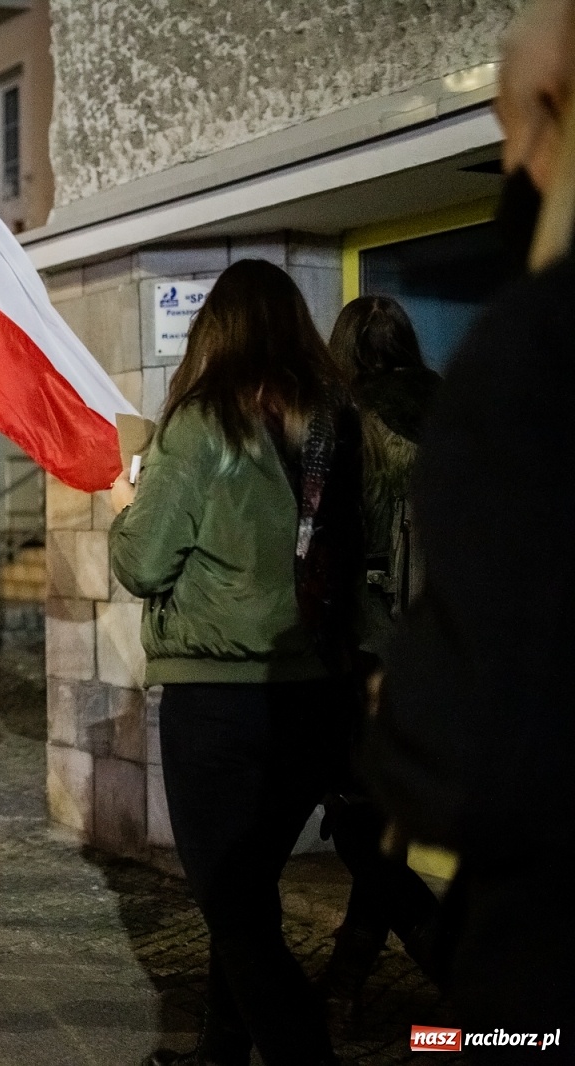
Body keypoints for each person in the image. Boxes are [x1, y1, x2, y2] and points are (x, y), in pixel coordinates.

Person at [365, 0, 575, 1048]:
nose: (509, 157)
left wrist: (401, 704)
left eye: (504, 119)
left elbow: (482, 749)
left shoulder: (538, 356)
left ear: (552, 104)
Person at [109, 260, 362, 1066]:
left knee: (234, 907)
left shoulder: (203, 421)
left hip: (218, 700)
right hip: (314, 694)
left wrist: (123, 506)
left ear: (213, 332)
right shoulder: (336, 420)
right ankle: (220, 1053)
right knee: (247, 893)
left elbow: (144, 562)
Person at [315, 296, 442, 1024]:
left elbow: (330, 539)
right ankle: (344, 980)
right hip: (448, 648)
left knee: (360, 819)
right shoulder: (457, 412)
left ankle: (461, 968)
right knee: (382, 821)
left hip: (369, 649)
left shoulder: (348, 421)